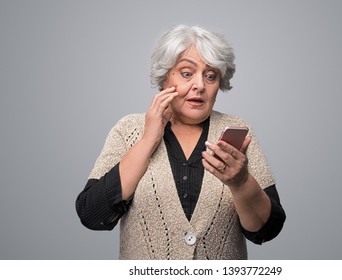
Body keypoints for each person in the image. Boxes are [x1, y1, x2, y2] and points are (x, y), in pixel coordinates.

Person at [76, 25, 286, 260]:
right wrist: (148, 140)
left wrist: (242, 182)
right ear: (165, 78)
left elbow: (268, 230)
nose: (199, 85)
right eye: (187, 73)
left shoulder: (239, 132)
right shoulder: (128, 130)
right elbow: (92, 214)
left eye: (210, 76)